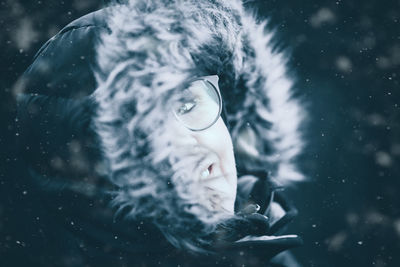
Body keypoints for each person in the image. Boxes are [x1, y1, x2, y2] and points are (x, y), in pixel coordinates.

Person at [10, 0, 306, 266]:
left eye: (189, 104)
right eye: (144, 128)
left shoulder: (264, 250)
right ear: (88, 169)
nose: (197, 149)